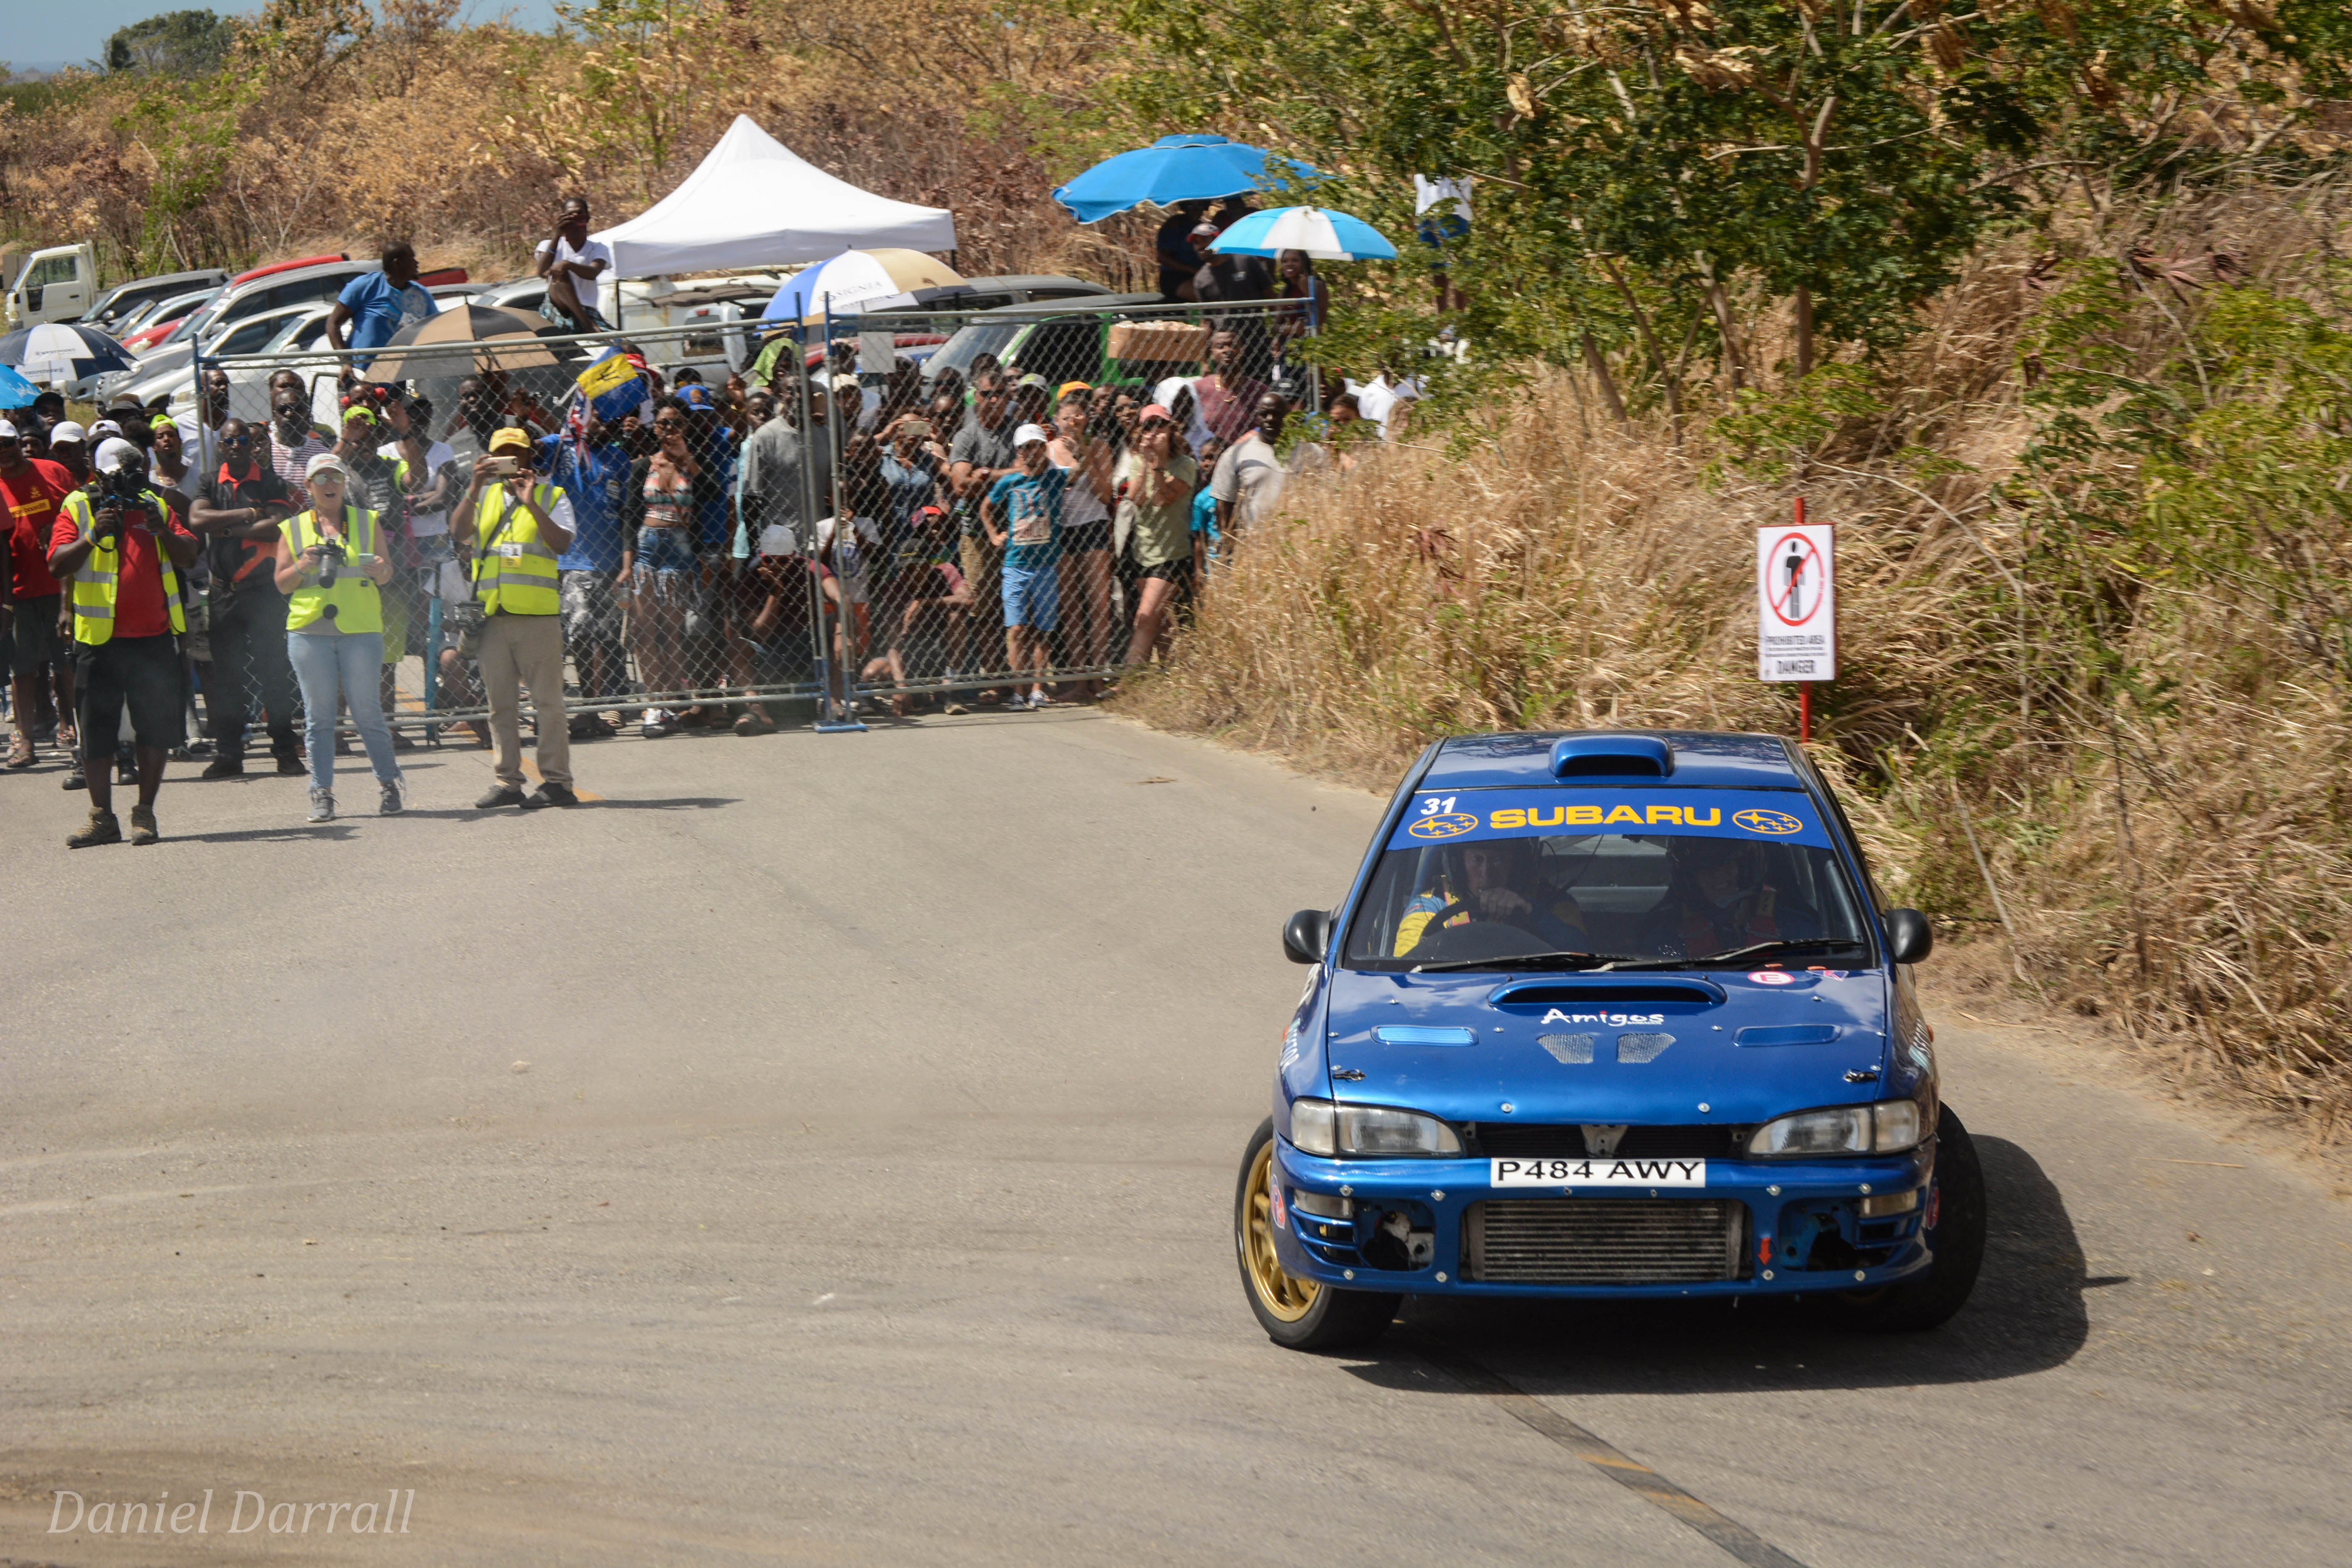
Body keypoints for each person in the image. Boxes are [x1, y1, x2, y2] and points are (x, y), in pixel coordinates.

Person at [47, 439, 201, 847]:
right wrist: (92, 535)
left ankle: (144, 813)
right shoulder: (79, 506)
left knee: (154, 731)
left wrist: (162, 530)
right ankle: (102, 818)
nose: (131, 482)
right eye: (121, 476)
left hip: (154, 637)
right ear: (99, 475)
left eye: (136, 474)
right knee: (96, 731)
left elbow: (189, 556)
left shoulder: (156, 505)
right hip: (99, 641)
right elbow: (56, 564)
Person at [269, 453, 406, 822]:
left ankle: (389, 785)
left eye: (336, 477)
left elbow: (387, 574)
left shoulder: (367, 520)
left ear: (345, 483)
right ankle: (322, 793)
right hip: (309, 631)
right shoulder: (293, 528)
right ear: (309, 486)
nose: (329, 484)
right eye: (321, 478)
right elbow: (282, 583)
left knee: (368, 713)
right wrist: (303, 565)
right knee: (319, 718)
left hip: (360, 629)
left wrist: (380, 569)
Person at [451, 427, 579, 807]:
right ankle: (508, 781)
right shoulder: (484, 495)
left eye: (516, 454)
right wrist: (474, 486)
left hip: (536, 616)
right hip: (492, 616)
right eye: (501, 455)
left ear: (528, 459)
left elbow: (562, 543)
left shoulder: (552, 496)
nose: (509, 462)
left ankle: (557, 782)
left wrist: (530, 502)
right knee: (500, 705)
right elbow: (458, 532)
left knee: (547, 703)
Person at [190, 418, 303, 778]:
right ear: (221, 445)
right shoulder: (209, 481)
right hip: (223, 593)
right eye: (230, 441)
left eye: (242, 440)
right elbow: (197, 519)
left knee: (275, 673)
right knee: (227, 678)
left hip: (264, 592)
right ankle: (229, 754)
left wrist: (225, 528)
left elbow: (279, 524)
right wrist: (249, 515)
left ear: (251, 445)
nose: (236, 446)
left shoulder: (270, 481)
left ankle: (285, 751)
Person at [540, 416, 631, 736]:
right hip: (574, 560)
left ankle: (612, 705)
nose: (600, 427)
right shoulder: (562, 446)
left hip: (611, 562)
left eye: (606, 422)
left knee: (609, 638)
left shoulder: (620, 459)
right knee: (579, 634)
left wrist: (626, 561)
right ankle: (588, 708)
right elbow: (534, 452)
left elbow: (627, 513)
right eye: (594, 420)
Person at [2, 419, 78, 772]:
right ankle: (25, 739)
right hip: (17, 591)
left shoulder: (53, 472)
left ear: (19, 443)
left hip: (59, 585)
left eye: (9, 443)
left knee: (65, 661)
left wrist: (58, 528)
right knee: (23, 669)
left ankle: (69, 725)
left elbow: (78, 513)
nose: (4, 451)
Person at [983, 423, 1065, 709]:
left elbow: (1080, 470)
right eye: (1026, 447)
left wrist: (1073, 440)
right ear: (1018, 451)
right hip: (1016, 564)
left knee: (1043, 629)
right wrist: (993, 534)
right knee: (1017, 628)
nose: (1033, 452)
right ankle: (1018, 691)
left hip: (1046, 564)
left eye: (1038, 446)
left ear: (1045, 448)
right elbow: (985, 507)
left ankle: (1037, 690)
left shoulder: (1055, 477)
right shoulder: (1010, 482)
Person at [1395, 838, 1588, 957]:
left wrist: (1534, 913)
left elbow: (1585, 956)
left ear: (1519, 867)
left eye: (1499, 860)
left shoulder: (1553, 903)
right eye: (1477, 859)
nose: (1487, 874)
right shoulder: (1430, 906)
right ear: (1458, 865)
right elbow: (1405, 969)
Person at [948, 371, 1018, 694]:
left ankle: (1019, 679)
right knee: (984, 607)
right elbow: (961, 486)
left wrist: (988, 475)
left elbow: (1031, 470)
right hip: (977, 534)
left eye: (1000, 393)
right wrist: (1009, 477)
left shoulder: (1017, 432)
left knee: (1019, 607)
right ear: (976, 397)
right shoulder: (967, 436)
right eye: (988, 394)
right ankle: (992, 678)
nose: (995, 400)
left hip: (1018, 530)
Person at [1643, 835, 1816, 958]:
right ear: (1690, 877)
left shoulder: (1796, 930)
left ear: (1747, 867)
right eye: (1705, 867)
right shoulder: (1668, 937)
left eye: (1726, 863)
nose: (1718, 874)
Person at [1117, 406, 1198, 669]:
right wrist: (1145, 462)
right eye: (1148, 427)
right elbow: (1137, 498)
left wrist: (1159, 465)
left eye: (1160, 426)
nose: (1154, 432)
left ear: (1170, 430)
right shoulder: (1137, 463)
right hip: (1144, 553)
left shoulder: (1185, 465)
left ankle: (1129, 680)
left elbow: (1163, 499)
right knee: (1160, 623)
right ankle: (1170, 676)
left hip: (1172, 554)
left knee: (1144, 618)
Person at [1048, 392, 1116, 697]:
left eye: (1078, 416)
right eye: (1066, 418)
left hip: (1093, 525)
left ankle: (1098, 677)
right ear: (1056, 421)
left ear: (1086, 419)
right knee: (1071, 606)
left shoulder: (1099, 447)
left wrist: (1085, 455)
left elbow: (1105, 495)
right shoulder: (1048, 450)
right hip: (1062, 530)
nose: (1072, 423)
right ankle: (1079, 681)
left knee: (1099, 604)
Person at [327, 241, 437, 364]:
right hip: (363, 370)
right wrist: (345, 362)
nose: (417, 264)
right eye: (412, 259)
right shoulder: (366, 286)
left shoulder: (421, 295)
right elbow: (333, 323)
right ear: (398, 263)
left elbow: (435, 328)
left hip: (405, 370)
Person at [1210, 394, 1292, 545]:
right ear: (1256, 417)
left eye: (1277, 414)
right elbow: (1223, 504)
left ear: (1288, 416)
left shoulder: (1308, 453)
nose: (1270, 419)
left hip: (1300, 545)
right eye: (1264, 414)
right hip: (1254, 548)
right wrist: (1233, 544)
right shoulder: (1235, 455)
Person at [534, 196, 612, 334]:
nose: (575, 217)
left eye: (580, 213)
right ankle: (587, 325)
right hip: (559, 307)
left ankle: (586, 323)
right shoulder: (548, 245)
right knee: (560, 275)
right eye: (570, 214)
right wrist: (558, 235)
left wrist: (568, 264)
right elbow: (542, 273)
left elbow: (592, 273)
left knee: (626, 345)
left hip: (587, 310)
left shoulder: (598, 248)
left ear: (587, 218)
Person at [1192, 327, 1274, 448]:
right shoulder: (1198, 389)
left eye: (1233, 345)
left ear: (1242, 351)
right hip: (1209, 457)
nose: (1227, 350)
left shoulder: (1261, 391)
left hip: (1248, 455)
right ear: (1212, 353)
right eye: (1220, 346)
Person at [1155, 200, 1212, 301]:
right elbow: (1163, 257)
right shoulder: (1175, 225)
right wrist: (1196, 271)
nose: (1195, 211)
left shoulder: (1203, 228)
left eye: (1200, 207)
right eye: (1191, 207)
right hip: (1176, 277)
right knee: (1209, 296)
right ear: (1184, 207)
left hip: (1202, 275)